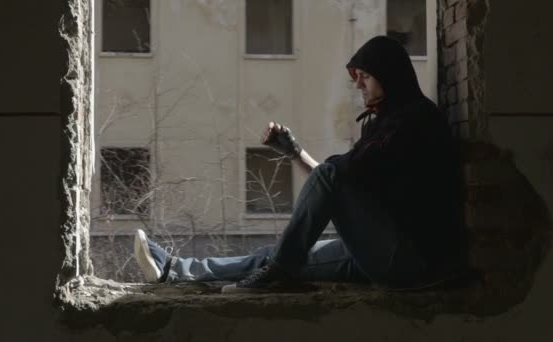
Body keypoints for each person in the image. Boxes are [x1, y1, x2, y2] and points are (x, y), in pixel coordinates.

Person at [133, 36, 466, 294]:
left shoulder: (416, 120)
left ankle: (280, 273)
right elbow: (338, 185)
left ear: (388, 76)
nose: (358, 84)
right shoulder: (385, 122)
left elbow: (336, 178)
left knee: (285, 260)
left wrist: (313, 164)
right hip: (384, 252)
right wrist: (294, 153)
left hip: (412, 263)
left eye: (365, 76)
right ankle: (175, 269)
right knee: (279, 255)